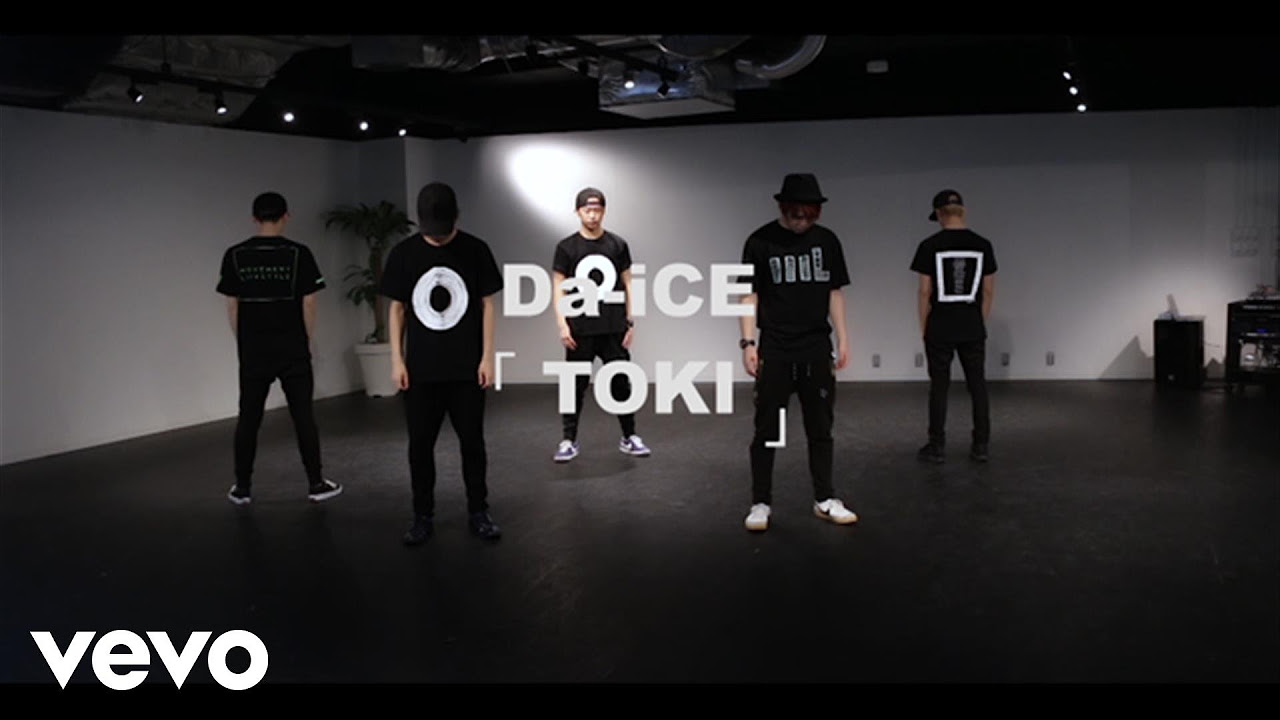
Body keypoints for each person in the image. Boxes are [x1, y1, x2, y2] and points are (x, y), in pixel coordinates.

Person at [380, 182, 503, 545]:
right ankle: (422, 515)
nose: (437, 236)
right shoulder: (404, 254)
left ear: (457, 217)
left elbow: (487, 305)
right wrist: (396, 359)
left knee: (473, 444)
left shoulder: (475, 250)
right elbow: (397, 309)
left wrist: (487, 356)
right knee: (419, 446)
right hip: (421, 370)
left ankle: (479, 511)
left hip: (466, 368)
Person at [738, 173, 858, 532]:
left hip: (816, 348)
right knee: (768, 430)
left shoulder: (827, 241)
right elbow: (749, 294)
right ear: (783, 207)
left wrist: (844, 338)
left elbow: (835, 292)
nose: (802, 221)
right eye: (796, 214)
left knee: (820, 428)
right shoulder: (760, 242)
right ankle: (761, 502)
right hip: (775, 349)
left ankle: (825, 498)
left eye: (809, 215)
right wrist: (748, 342)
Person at [217, 191, 342, 505]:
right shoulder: (299, 253)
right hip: (292, 348)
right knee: (303, 417)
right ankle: (316, 484)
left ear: (254, 218)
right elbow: (309, 303)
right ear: (286, 215)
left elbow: (232, 305)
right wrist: (305, 339)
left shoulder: (234, 255)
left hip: (254, 350)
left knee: (249, 418)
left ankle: (242, 487)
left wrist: (243, 341)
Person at [550, 187, 651, 463]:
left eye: (597, 210)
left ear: (604, 211)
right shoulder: (567, 247)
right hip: (580, 329)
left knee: (621, 385)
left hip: (613, 328)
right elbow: (558, 287)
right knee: (573, 387)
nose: (592, 215)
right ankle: (568, 440)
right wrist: (562, 324)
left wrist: (630, 320)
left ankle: (629, 436)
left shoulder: (617, 245)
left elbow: (628, 283)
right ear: (578, 211)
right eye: (587, 210)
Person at [910, 189, 998, 464]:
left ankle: (936, 445)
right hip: (971, 324)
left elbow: (924, 292)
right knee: (977, 385)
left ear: (939, 214)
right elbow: (988, 290)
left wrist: (924, 326)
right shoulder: (983, 245)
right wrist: (979, 320)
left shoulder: (929, 246)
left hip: (940, 325)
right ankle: (981, 445)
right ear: (963, 211)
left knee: (939, 386)